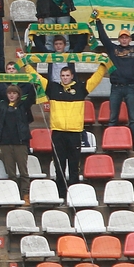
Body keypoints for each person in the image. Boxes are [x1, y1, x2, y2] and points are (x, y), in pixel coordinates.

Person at [29, 62, 109, 198]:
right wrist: (26, 65)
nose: (65, 78)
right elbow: (36, 77)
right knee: (59, 167)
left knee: (74, 166)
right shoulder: (52, 88)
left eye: (67, 75)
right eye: (62, 75)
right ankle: (61, 196)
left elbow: (95, 79)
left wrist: (103, 65)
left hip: (74, 133)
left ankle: (74, 195)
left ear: (72, 76)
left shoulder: (81, 88)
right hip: (58, 132)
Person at [96, 19, 134, 150]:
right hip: (116, 87)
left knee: (133, 118)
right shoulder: (112, 49)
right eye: (122, 38)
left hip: (130, 87)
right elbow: (103, 37)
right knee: (113, 118)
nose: (124, 40)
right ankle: (110, 143)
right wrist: (98, 22)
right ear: (119, 39)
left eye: (126, 37)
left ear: (130, 39)